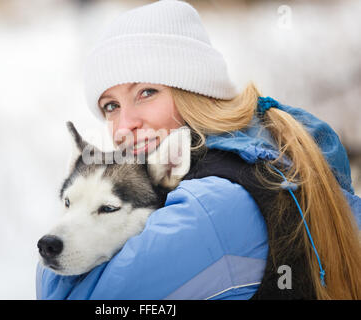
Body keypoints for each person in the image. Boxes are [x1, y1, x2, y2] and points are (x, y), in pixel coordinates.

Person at [36, 0, 361, 299]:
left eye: (147, 92)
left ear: (195, 93)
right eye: (110, 106)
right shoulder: (250, 161)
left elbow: (69, 296)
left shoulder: (211, 208)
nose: (123, 127)